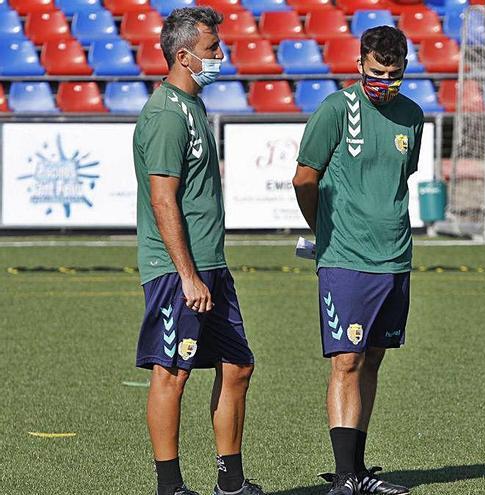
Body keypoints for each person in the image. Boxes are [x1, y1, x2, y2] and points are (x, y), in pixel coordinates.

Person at [133, 7, 264, 495]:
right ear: (183, 56)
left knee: (238, 365)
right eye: (212, 49)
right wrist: (187, 275)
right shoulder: (166, 115)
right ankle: (170, 487)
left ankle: (230, 482)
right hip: (177, 271)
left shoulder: (193, 107)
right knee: (172, 373)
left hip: (212, 266)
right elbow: (162, 198)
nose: (221, 56)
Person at [292, 25, 424, 495]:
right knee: (346, 359)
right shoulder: (335, 109)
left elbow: (399, 180)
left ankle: (358, 469)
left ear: (405, 69)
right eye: (375, 73)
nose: (383, 82)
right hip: (345, 257)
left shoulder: (413, 116)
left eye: (393, 74)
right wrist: (323, 229)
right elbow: (304, 178)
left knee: (372, 360)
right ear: (358, 64)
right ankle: (345, 476)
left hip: (395, 258)